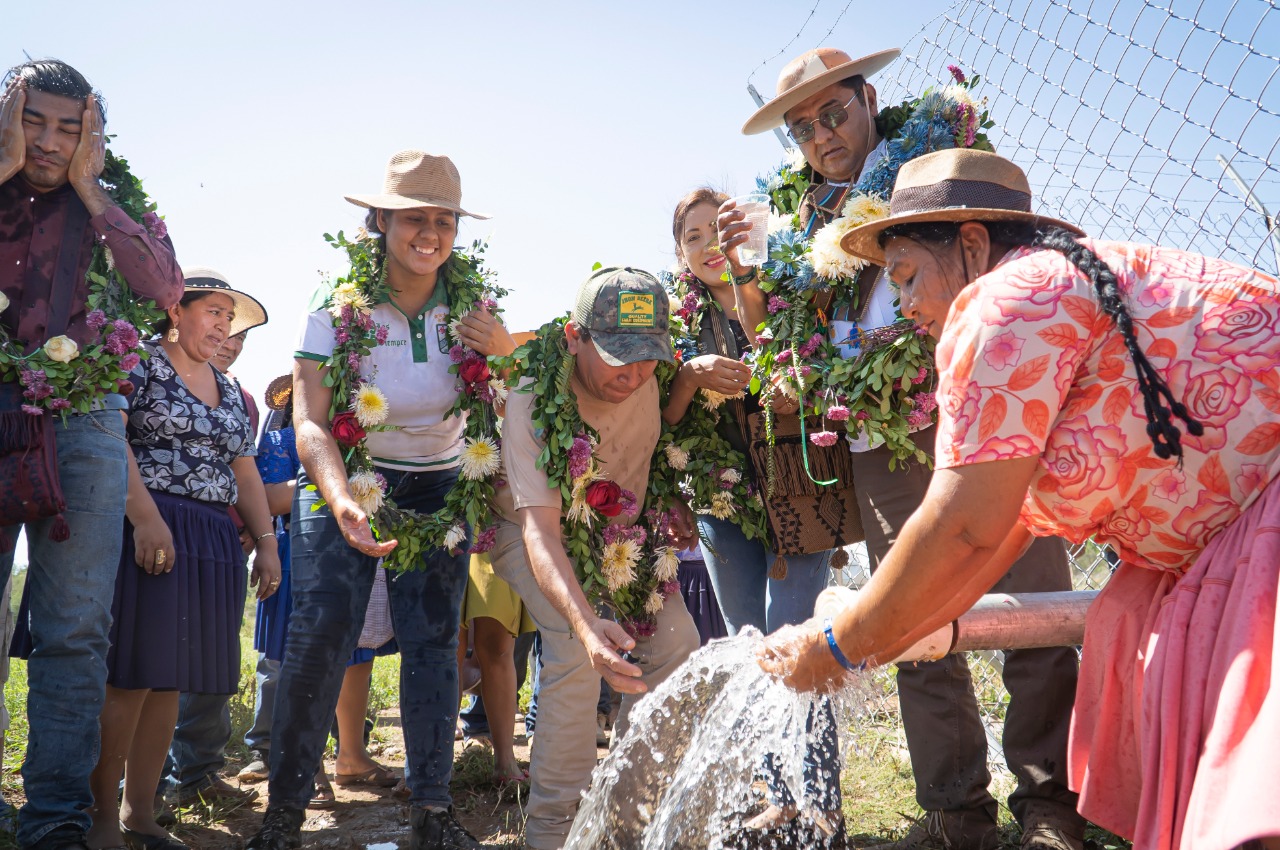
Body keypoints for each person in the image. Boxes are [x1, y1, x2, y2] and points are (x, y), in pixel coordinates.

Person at [760, 147, 1280, 850]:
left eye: (908, 275)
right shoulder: (1056, 289)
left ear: (972, 245)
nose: (904, 303)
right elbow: (992, 538)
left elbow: (964, 530)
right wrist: (859, 641)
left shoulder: (1009, 301)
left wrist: (837, 648)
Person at [723, 49, 1084, 850]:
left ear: (870, 99)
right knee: (912, 610)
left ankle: (1050, 804)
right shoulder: (795, 215)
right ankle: (955, 813)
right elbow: (781, 335)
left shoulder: (929, 166)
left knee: (1033, 598)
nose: (821, 135)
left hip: (981, 399)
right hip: (873, 429)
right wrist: (752, 267)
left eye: (834, 113)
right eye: (802, 127)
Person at [245, 151, 512, 850]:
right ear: (381, 222)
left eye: (443, 221)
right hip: (347, 479)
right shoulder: (335, 310)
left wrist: (506, 348)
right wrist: (339, 500)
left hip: (442, 485)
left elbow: (519, 388)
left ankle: (432, 810)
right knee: (320, 634)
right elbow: (309, 420)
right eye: (414, 219)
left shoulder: (476, 311)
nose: (429, 233)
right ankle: (284, 813)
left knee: (431, 643)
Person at [0, 59, 183, 850]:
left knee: (75, 628)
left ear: (91, 135)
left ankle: (55, 824)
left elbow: (163, 287)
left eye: (67, 127)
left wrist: (91, 188)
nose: (47, 141)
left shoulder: (115, 199)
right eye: (31, 121)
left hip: (85, 421)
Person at [488, 267, 701, 850]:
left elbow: (644, 455)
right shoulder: (535, 394)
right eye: (616, 357)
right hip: (529, 531)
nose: (631, 376)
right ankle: (553, 831)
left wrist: (670, 503)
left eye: (646, 359)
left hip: (616, 541)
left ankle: (631, 819)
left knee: (677, 644)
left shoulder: (648, 380)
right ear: (574, 337)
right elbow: (541, 534)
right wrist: (586, 623)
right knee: (573, 649)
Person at [666, 186, 843, 840]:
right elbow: (665, 417)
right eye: (693, 236)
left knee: (797, 637)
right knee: (749, 646)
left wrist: (749, 274)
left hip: (796, 482)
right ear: (677, 252)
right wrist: (689, 375)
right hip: (721, 500)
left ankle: (821, 803)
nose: (709, 244)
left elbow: (784, 347)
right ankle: (781, 798)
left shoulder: (783, 287)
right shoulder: (670, 321)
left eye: (720, 229)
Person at [86, 273, 280, 850]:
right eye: (213, 312)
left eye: (230, 318)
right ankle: (98, 818)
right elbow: (109, 436)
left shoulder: (227, 385)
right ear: (177, 311)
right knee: (131, 678)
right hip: (151, 523)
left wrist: (266, 540)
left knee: (172, 681)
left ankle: (139, 816)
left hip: (212, 536)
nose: (222, 325)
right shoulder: (140, 364)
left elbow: (244, 470)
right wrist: (144, 516)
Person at [238, 373, 401, 806]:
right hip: (298, 554)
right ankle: (308, 768)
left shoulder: (360, 446)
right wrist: (330, 486)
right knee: (299, 656)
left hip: (354, 553)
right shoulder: (279, 443)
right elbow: (268, 498)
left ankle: (352, 755)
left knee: (357, 656)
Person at [163, 318, 262, 812]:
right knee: (150, 659)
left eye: (241, 336)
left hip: (221, 539)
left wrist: (253, 533)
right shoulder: (151, 371)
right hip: (161, 527)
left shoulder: (243, 401)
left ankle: (198, 772)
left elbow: (245, 472)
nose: (231, 342)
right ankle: (140, 783)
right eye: (222, 328)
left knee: (212, 661)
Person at [456, 552, 535, 783]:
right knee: (445, 646)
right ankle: (429, 770)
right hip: (441, 524)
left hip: (495, 530)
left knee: (497, 646)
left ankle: (505, 761)